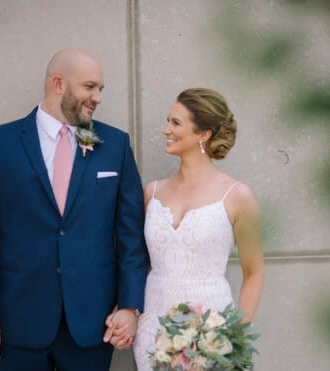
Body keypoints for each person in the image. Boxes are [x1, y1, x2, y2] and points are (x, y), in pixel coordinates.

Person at [0, 48, 147, 371]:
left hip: (93, 326)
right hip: (16, 324)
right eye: (90, 87)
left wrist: (130, 307)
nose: (98, 97)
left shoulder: (114, 145)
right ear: (58, 84)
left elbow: (131, 238)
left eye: (101, 89)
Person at [130, 88, 265, 370]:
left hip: (208, 333)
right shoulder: (152, 192)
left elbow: (254, 272)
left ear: (203, 134)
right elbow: (139, 263)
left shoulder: (238, 196)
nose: (165, 129)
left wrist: (234, 337)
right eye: (168, 121)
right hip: (152, 328)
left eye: (175, 123)